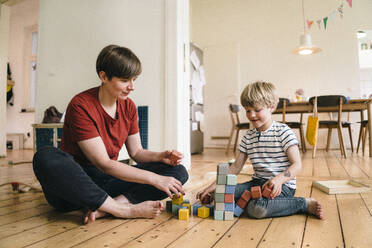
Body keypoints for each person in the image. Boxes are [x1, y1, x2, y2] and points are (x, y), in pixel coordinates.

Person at [33, 45, 189, 224]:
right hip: (76, 186)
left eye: (134, 79)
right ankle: (123, 210)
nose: (132, 87)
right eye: (124, 80)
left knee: (177, 173)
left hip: (107, 182)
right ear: (104, 76)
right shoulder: (80, 105)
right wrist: (155, 179)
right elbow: (104, 163)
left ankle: (110, 206)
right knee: (44, 156)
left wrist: (160, 156)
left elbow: (137, 152)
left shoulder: (128, 106)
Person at [197, 81, 323, 219]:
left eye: (257, 110)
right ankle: (246, 201)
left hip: (282, 187)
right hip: (257, 183)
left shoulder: (283, 132)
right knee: (219, 192)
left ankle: (303, 204)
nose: (252, 115)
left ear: (272, 107)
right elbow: (235, 168)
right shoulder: (248, 137)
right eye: (248, 110)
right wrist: (212, 187)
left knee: (256, 209)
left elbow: (297, 165)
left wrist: (279, 180)